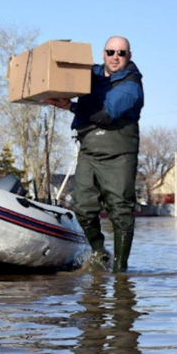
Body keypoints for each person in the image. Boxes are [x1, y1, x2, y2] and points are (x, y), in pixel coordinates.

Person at [45, 36, 144, 273]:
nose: (115, 57)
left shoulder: (131, 87)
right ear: (103, 53)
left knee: (120, 209)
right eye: (111, 52)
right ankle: (99, 251)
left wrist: (70, 105)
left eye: (121, 53)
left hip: (119, 155)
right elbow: (67, 75)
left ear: (129, 56)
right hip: (89, 151)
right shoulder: (92, 74)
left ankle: (120, 270)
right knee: (82, 206)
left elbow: (104, 114)